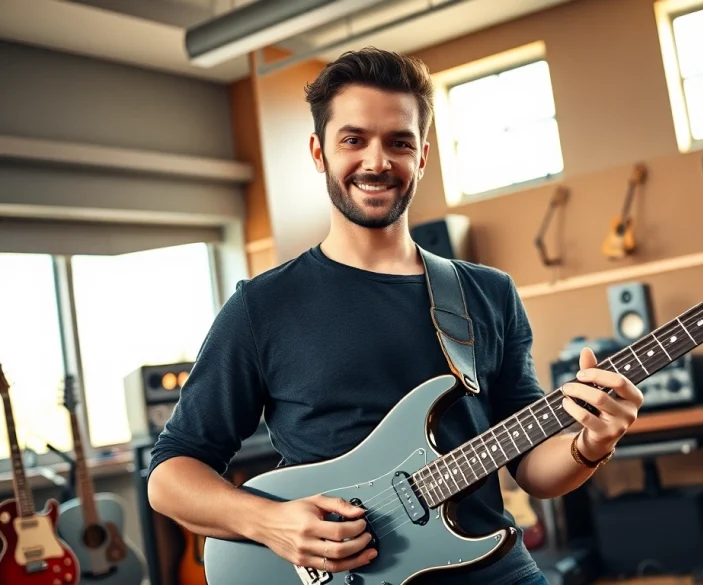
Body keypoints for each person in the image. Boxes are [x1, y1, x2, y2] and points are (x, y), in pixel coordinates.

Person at [146, 47, 644, 585]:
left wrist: (591, 444)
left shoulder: (488, 293)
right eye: (353, 140)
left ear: (423, 155)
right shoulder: (261, 307)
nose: (377, 161)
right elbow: (171, 475)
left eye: (399, 142)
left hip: (492, 570)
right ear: (319, 152)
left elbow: (533, 470)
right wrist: (271, 522)